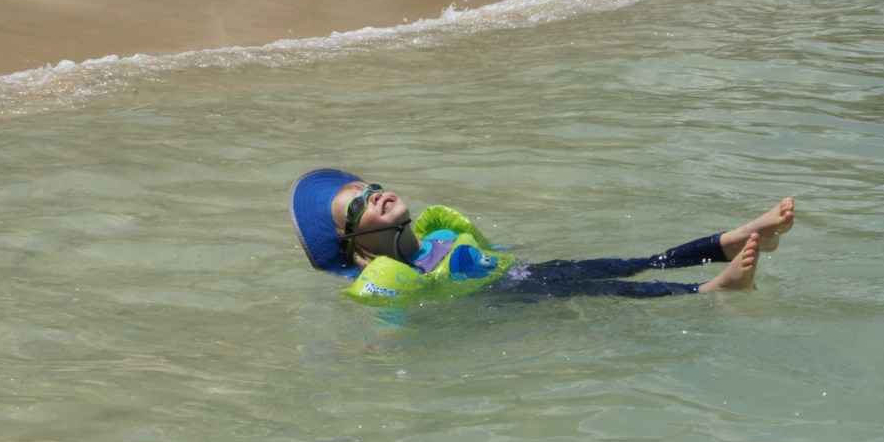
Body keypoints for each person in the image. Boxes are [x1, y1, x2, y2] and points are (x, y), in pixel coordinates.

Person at [289, 168, 795, 304]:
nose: (375, 194)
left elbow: (496, 255)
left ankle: (739, 237)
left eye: (373, 187)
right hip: (510, 299)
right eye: (358, 203)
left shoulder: (439, 235)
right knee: (606, 291)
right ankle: (711, 291)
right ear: (353, 240)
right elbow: (388, 331)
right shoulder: (382, 278)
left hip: (526, 275)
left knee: (631, 262)